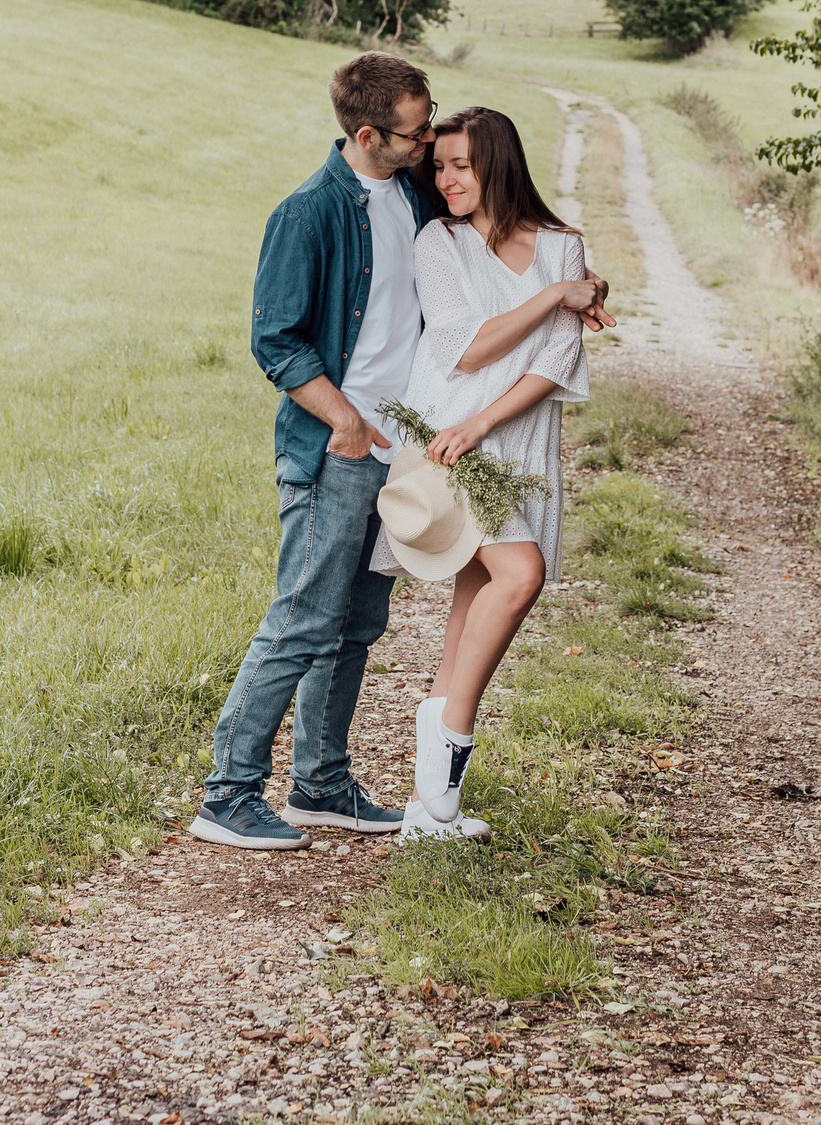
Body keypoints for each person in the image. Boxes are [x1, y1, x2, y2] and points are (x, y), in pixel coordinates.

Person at [190, 53, 444, 849]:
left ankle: (321, 783)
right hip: (338, 448)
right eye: (416, 129)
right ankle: (228, 794)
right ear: (368, 134)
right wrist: (344, 421)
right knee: (302, 618)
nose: (429, 139)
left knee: (359, 621)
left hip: (396, 451)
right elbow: (276, 338)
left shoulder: (411, 191)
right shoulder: (307, 213)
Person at [388, 105, 606, 839]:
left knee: (476, 597)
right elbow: (466, 347)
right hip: (450, 437)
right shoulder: (438, 242)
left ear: (498, 163)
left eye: (460, 165)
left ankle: (429, 804)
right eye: (438, 165)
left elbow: (558, 358)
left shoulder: (563, 244)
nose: (444, 178)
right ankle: (447, 751)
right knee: (521, 574)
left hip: (519, 444)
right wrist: (551, 297)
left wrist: (492, 421)